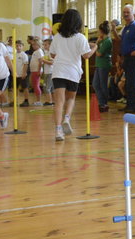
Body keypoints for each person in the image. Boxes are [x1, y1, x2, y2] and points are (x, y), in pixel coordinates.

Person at [49, 9, 97, 141]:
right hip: (73, 72)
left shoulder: (57, 37)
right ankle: (67, 118)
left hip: (58, 71)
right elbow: (86, 55)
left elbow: (52, 54)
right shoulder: (80, 37)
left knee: (59, 102)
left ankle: (58, 131)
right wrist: (94, 47)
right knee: (70, 99)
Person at [119, 4, 135, 113]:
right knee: (128, 83)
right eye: (124, 12)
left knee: (132, 83)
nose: (126, 14)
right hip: (127, 58)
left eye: (128, 12)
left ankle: (134, 106)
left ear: (133, 14)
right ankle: (129, 104)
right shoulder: (126, 27)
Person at [93, 20, 113, 112]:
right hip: (99, 64)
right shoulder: (102, 40)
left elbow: (98, 53)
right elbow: (96, 49)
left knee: (103, 85)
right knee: (95, 84)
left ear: (101, 31)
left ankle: (104, 103)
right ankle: (101, 102)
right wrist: (97, 43)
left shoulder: (107, 41)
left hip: (104, 65)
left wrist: (96, 48)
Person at [27, 38, 46, 106]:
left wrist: (38, 70)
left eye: (35, 45)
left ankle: (39, 101)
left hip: (36, 71)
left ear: (39, 45)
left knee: (36, 85)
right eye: (32, 45)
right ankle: (37, 100)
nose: (33, 46)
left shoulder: (39, 51)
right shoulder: (36, 51)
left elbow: (41, 62)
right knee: (34, 85)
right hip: (34, 70)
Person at [15, 40, 30, 107]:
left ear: (22, 47)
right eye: (17, 46)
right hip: (16, 74)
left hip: (22, 74)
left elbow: (25, 64)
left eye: (20, 46)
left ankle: (26, 101)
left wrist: (24, 73)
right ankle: (15, 101)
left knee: (25, 87)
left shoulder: (24, 55)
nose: (18, 47)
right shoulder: (14, 54)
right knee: (15, 88)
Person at [41, 38, 54, 106]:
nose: (44, 46)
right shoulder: (46, 52)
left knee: (47, 88)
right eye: (43, 45)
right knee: (47, 87)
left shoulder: (52, 53)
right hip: (46, 72)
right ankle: (51, 100)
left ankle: (49, 101)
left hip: (50, 72)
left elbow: (52, 62)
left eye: (45, 45)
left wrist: (43, 60)